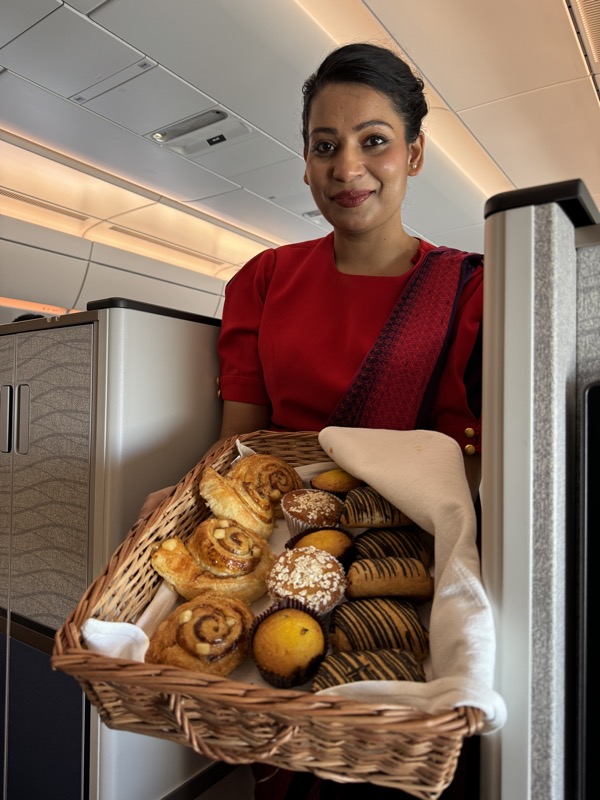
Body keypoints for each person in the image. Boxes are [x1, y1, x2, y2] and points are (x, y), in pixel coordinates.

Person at [139, 42, 483, 799]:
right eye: (325, 146)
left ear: (415, 154)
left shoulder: (469, 290)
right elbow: (239, 442)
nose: (347, 167)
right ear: (303, 161)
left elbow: (479, 466)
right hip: (282, 562)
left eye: (374, 142)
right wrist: (186, 500)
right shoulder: (264, 280)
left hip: (410, 577)